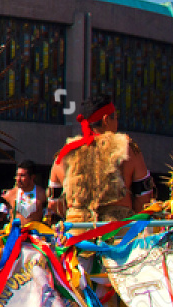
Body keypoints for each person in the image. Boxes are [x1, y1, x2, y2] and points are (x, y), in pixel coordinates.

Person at [47, 93, 152, 225]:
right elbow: (144, 200)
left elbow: (54, 206)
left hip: (77, 236)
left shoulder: (64, 154)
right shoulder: (128, 150)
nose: (117, 123)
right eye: (116, 118)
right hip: (118, 236)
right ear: (106, 119)